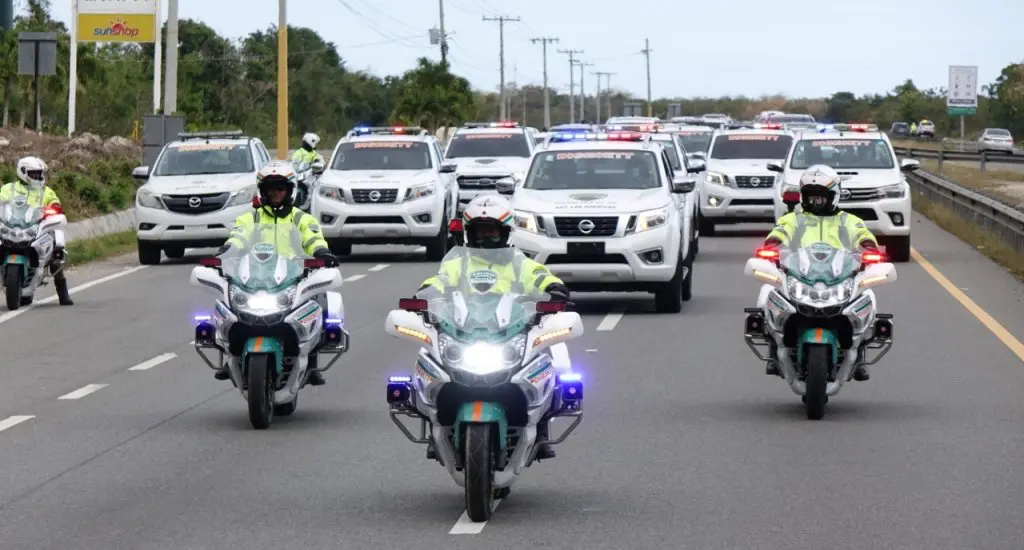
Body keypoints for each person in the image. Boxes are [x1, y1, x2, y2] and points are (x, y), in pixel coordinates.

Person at [415, 195, 571, 461]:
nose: (486, 236)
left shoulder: (518, 262)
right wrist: (426, 294)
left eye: (491, 230)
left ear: (505, 232)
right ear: (469, 233)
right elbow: (438, 281)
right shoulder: (458, 263)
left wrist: (554, 288)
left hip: (511, 329)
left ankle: (542, 425)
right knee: (428, 358)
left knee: (553, 357)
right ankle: (436, 425)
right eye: (479, 230)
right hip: (464, 329)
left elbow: (539, 275)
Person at [214, 160, 340, 386]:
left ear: (290, 191)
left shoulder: (302, 218)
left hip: (293, 276)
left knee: (317, 304)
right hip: (253, 277)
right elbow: (238, 237)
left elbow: (313, 238)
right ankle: (229, 355)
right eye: (270, 189)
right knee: (226, 305)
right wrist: (226, 251)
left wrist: (322, 252)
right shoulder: (249, 218)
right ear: (262, 191)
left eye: (280, 188)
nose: (275, 193)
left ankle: (311, 361)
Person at [761, 164, 879, 381]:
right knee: (767, 289)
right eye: (810, 196)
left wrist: (868, 246)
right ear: (802, 197)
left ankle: (859, 352)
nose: (815, 202)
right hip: (799, 274)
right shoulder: (794, 219)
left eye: (820, 197)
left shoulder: (848, 220)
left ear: (834, 196)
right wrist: (773, 244)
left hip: (840, 276)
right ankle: (774, 348)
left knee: (868, 295)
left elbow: (862, 233)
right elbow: (780, 231)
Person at [0, 156, 72, 306]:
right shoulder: (9, 189)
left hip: (37, 227)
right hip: (12, 226)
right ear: (23, 172)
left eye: (39, 173)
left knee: (56, 253)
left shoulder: (45, 191)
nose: (38, 176)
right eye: (34, 173)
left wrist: (53, 209)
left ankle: (63, 293)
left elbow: (55, 203)